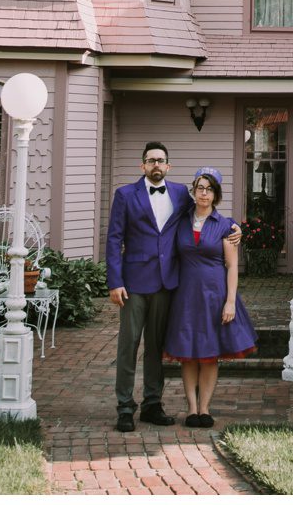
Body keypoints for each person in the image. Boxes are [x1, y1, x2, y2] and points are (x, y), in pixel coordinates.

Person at [104, 144, 240, 432]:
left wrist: (233, 226)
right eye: (151, 160)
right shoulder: (125, 195)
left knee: (156, 347)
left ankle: (153, 404)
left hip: (167, 284)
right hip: (134, 284)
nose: (156, 164)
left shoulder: (180, 193)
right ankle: (125, 407)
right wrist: (115, 281)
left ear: (168, 166)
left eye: (161, 160)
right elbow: (114, 240)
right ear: (142, 166)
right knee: (128, 346)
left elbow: (207, 210)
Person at [162, 168, 257, 427]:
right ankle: (191, 409)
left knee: (209, 354)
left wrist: (230, 301)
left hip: (214, 296)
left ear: (216, 194)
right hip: (185, 296)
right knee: (188, 353)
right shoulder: (180, 221)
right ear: (194, 191)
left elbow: (232, 266)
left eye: (209, 189)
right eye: (200, 188)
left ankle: (205, 409)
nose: (204, 193)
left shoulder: (226, 225)